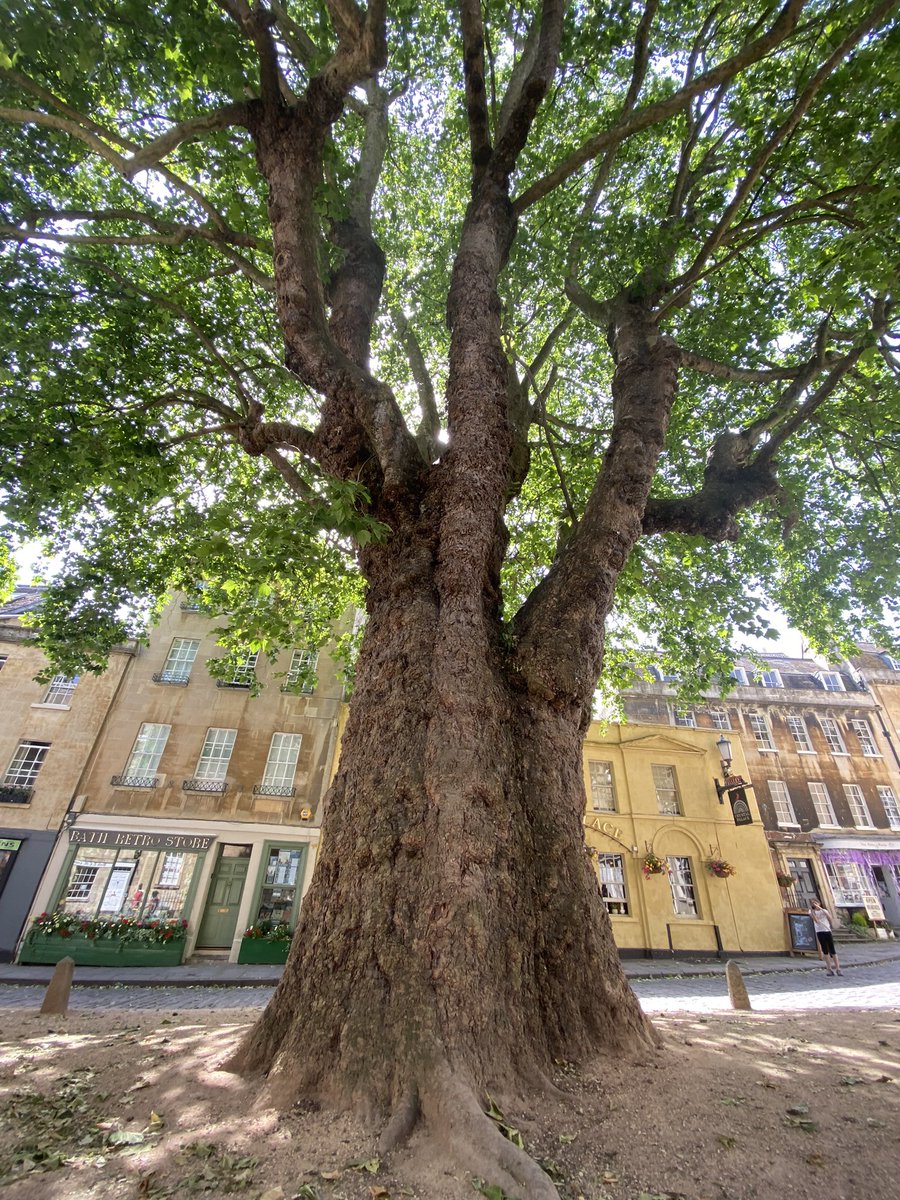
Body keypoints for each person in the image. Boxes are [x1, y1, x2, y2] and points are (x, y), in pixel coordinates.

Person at [809, 900, 842, 975]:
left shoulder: (824, 910)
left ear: (819, 903)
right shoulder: (812, 912)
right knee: (825, 950)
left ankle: (838, 968)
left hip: (827, 930)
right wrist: (812, 912)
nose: (814, 904)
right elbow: (816, 921)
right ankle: (829, 969)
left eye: (816, 903)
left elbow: (830, 919)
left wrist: (821, 909)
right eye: (813, 903)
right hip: (819, 931)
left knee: (832, 950)